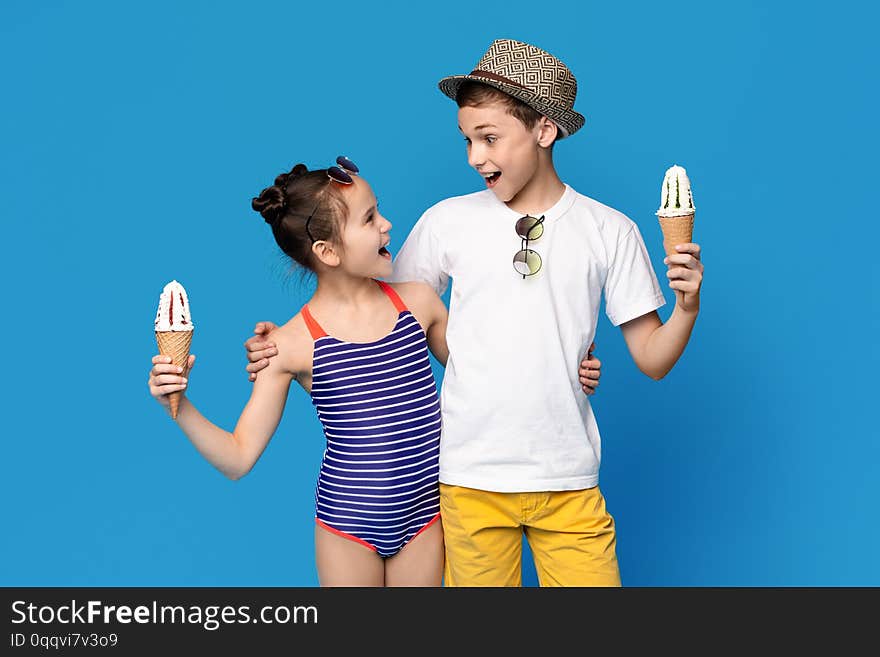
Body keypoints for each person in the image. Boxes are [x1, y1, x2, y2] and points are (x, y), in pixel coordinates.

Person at [246, 39, 704, 587]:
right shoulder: (448, 222)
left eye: (489, 138)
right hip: (469, 483)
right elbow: (363, 291)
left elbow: (652, 358)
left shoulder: (609, 231)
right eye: (466, 139)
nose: (474, 157)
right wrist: (287, 343)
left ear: (544, 129)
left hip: (569, 479)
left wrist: (686, 306)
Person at [148, 157, 450, 586]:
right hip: (348, 528)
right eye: (369, 219)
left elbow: (482, 378)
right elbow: (238, 457)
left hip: (425, 516)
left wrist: (572, 361)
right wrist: (177, 407)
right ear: (327, 251)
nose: (386, 224)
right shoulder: (290, 345)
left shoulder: (419, 304)